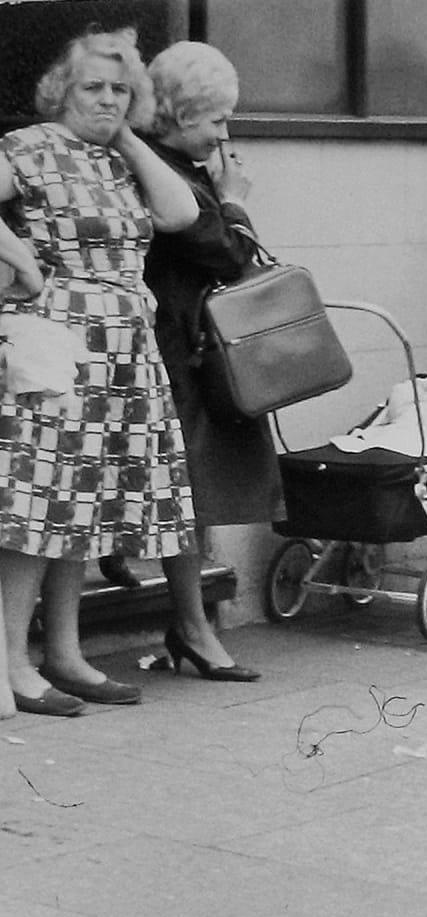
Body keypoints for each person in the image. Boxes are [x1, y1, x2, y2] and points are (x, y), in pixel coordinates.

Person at [0, 28, 200, 717]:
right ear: (61, 89)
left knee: (82, 507)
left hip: (123, 350)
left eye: (121, 89)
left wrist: (127, 135)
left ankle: (65, 652)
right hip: (59, 344)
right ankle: (15, 665)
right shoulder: (30, 148)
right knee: (39, 506)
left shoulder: (115, 160)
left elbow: (181, 213)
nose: (107, 99)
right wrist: (24, 265)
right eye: (93, 87)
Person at [141, 39, 271, 682]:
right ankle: (192, 625)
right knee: (187, 492)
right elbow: (226, 253)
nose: (225, 133)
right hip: (178, 350)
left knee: (188, 493)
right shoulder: (172, 175)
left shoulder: (166, 165)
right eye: (216, 120)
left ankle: (188, 620)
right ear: (180, 115)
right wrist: (236, 197)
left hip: (178, 344)